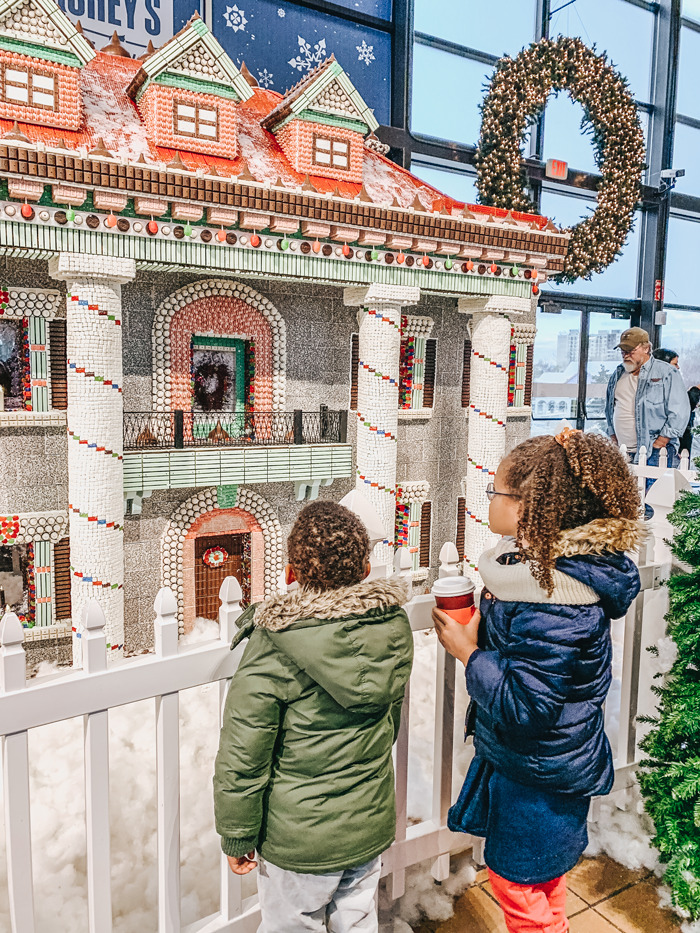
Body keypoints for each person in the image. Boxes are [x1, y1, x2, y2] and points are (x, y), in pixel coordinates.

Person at [433, 428, 644, 933]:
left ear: (530, 505)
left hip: (540, 770)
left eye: (497, 491)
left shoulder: (552, 600)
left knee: (517, 881)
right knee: (545, 876)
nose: (490, 498)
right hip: (550, 762)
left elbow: (528, 705)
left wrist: (468, 652)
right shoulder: (552, 576)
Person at [213, 500, 414, 933]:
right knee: (358, 921)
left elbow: (244, 753)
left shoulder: (276, 644)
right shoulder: (391, 627)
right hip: (366, 825)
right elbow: (389, 723)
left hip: (298, 840)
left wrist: (237, 832)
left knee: (292, 923)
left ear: (290, 573)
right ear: (364, 570)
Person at [605, 327, 689, 468]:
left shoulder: (667, 372)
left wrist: (662, 440)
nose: (626, 355)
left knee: (654, 490)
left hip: (655, 451)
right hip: (623, 450)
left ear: (646, 348)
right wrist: (612, 434)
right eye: (623, 351)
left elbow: (680, 409)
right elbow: (609, 407)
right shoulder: (618, 373)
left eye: (630, 351)